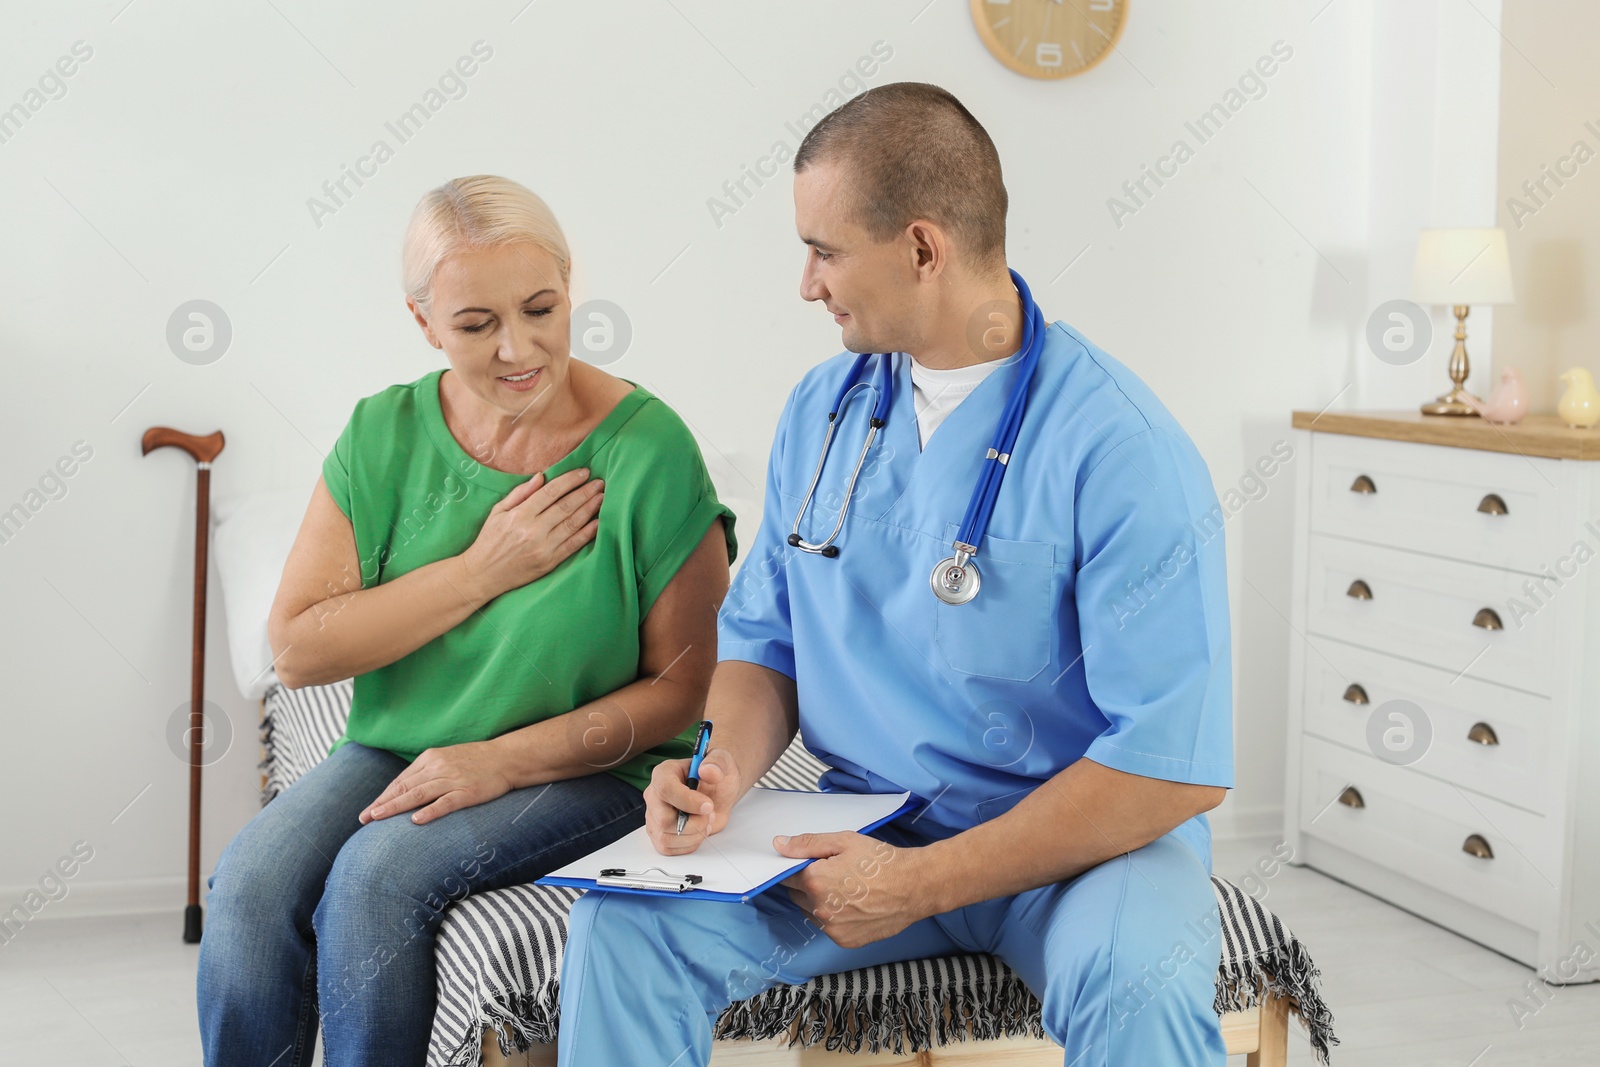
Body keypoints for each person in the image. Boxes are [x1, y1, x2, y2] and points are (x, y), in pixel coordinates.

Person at [556, 84, 1234, 1066]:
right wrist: (725, 774)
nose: (805, 283)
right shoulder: (822, 411)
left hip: (1083, 856)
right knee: (623, 930)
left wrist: (923, 884)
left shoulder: (1119, 446)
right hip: (861, 828)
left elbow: (1168, 764)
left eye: (823, 251)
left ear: (922, 248)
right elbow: (765, 642)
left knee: (1139, 987)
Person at [196, 175, 736, 1067]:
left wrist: (498, 760)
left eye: (541, 308)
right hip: (397, 747)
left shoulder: (650, 449)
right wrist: (485, 570)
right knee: (252, 884)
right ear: (424, 323)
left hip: (587, 767)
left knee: (372, 880)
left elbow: (684, 690)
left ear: (570, 284)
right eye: (477, 324)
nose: (519, 348)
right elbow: (296, 650)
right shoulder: (383, 434)